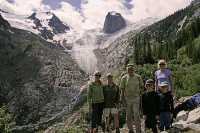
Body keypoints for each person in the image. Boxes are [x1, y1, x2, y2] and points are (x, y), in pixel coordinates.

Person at [120, 64, 144, 133]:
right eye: (128, 69)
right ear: (127, 70)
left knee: (136, 114)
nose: (130, 70)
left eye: (131, 69)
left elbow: (142, 86)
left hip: (136, 98)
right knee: (128, 115)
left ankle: (138, 130)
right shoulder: (124, 78)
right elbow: (122, 89)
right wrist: (122, 99)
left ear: (134, 70)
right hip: (127, 99)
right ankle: (131, 130)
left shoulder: (138, 77)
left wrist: (140, 94)